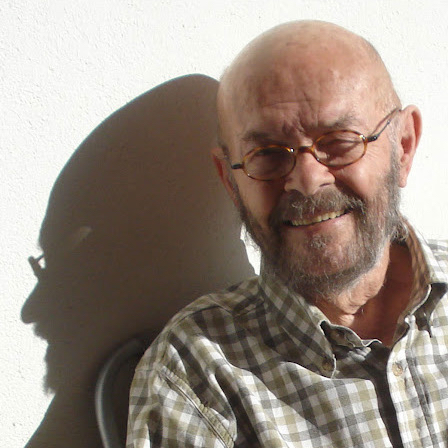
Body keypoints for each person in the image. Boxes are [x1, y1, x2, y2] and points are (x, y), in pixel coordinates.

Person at [126, 20, 448, 447]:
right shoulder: (198, 375)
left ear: (403, 146)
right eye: (268, 155)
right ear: (230, 180)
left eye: (339, 142)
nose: (308, 181)